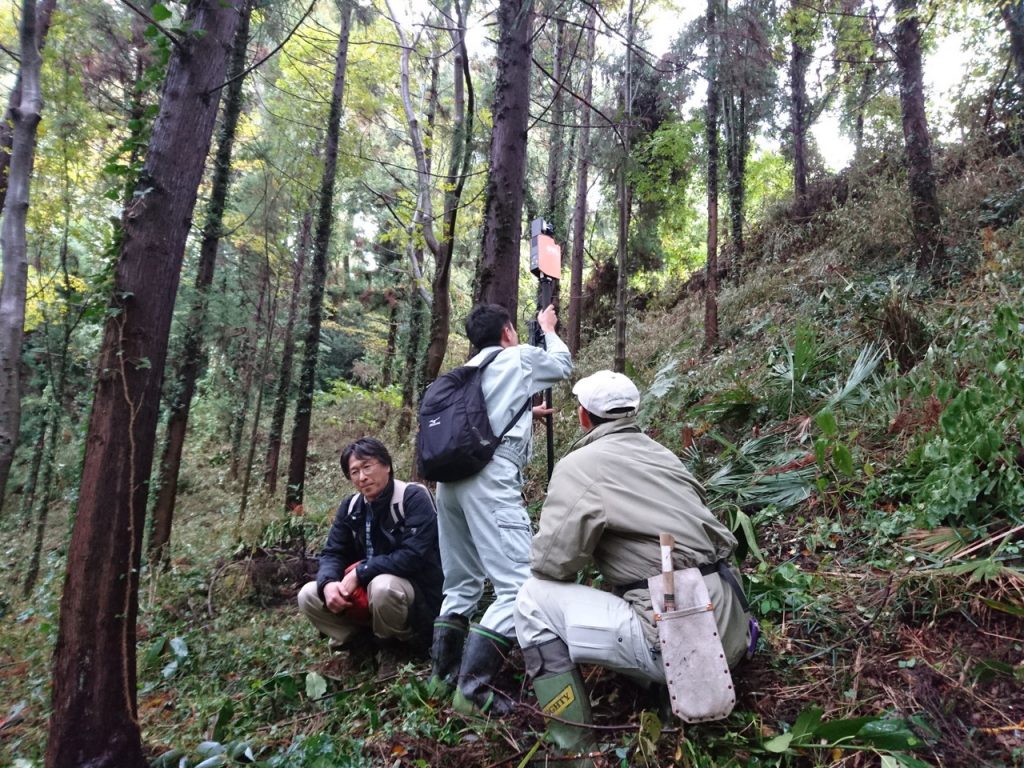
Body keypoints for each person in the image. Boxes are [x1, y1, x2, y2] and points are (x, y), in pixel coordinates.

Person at [513, 370, 753, 752]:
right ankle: (663, 693)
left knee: (531, 600)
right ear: (633, 412)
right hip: (731, 622)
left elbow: (551, 565)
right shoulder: (663, 453)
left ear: (583, 417)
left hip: (679, 626)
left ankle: (572, 749)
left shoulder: (580, 466)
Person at [430, 302, 573, 716]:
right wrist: (547, 329)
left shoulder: (461, 375)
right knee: (519, 586)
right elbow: (562, 365)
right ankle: (472, 694)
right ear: (509, 331)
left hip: (449, 485)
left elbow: (484, 414)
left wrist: (528, 411)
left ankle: (440, 680)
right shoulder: (518, 356)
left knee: (460, 582)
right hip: (489, 481)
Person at [297, 438, 443, 660]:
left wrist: (360, 572)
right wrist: (327, 584)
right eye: (354, 472)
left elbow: (414, 556)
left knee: (382, 586)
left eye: (367, 466)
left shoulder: (412, 497)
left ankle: (395, 647)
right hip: (365, 594)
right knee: (309, 594)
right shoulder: (351, 507)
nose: (362, 477)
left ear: (387, 466)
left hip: (416, 596)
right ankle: (360, 644)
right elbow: (333, 552)